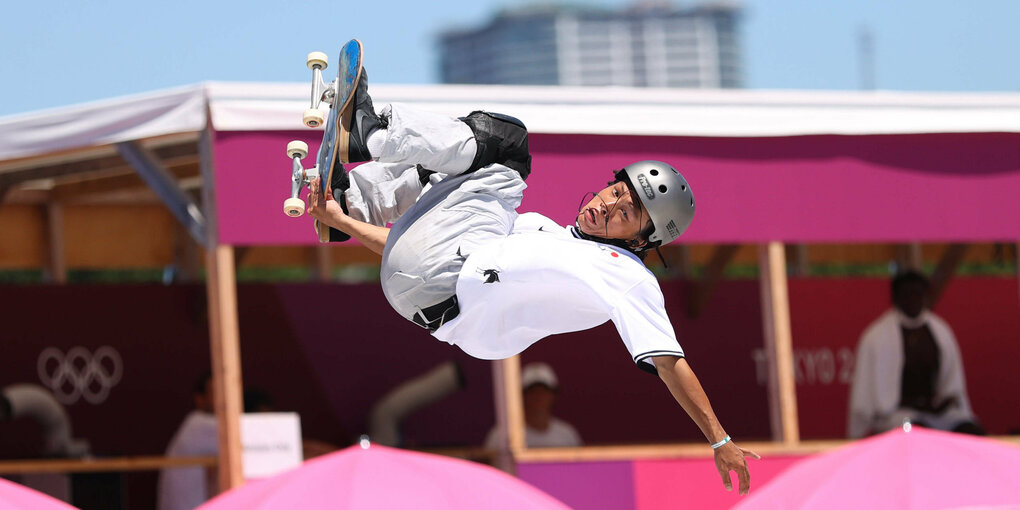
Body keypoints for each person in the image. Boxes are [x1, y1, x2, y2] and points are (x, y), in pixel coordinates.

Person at [306, 60, 759, 494]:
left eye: (626, 213)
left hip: (444, 290)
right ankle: (349, 198)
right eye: (615, 190)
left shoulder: (625, 274)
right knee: (455, 161)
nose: (607, 204)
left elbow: (669, 361)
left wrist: (719, 440)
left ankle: (372, 130)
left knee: (506, 145)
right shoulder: (533, 230)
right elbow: (412, 257)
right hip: (420, 289)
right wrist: (342, 224)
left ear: (641, 240)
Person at [848, 271, 984, 438]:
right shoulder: (876, 337)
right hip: (897, 416)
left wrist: (943, 401)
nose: (913, 300)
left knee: (971, 431)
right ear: (895, 298)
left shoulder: (940, 332)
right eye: (907, 295)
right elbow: (871, 399)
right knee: (914, 433)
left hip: (939, 416)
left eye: (918, 294)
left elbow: (952, 386)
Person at [484, 362, 582, 450]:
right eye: (532, 392)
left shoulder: (567, 434)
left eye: (544, 391)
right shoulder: (501, 435)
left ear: (554, 395)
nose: (538, 397)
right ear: (521, 396)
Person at [157, 373, 218, 510]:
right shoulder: (197, 425)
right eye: (216, 392)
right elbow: (246, 436)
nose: (223, 397)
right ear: (199, 399)